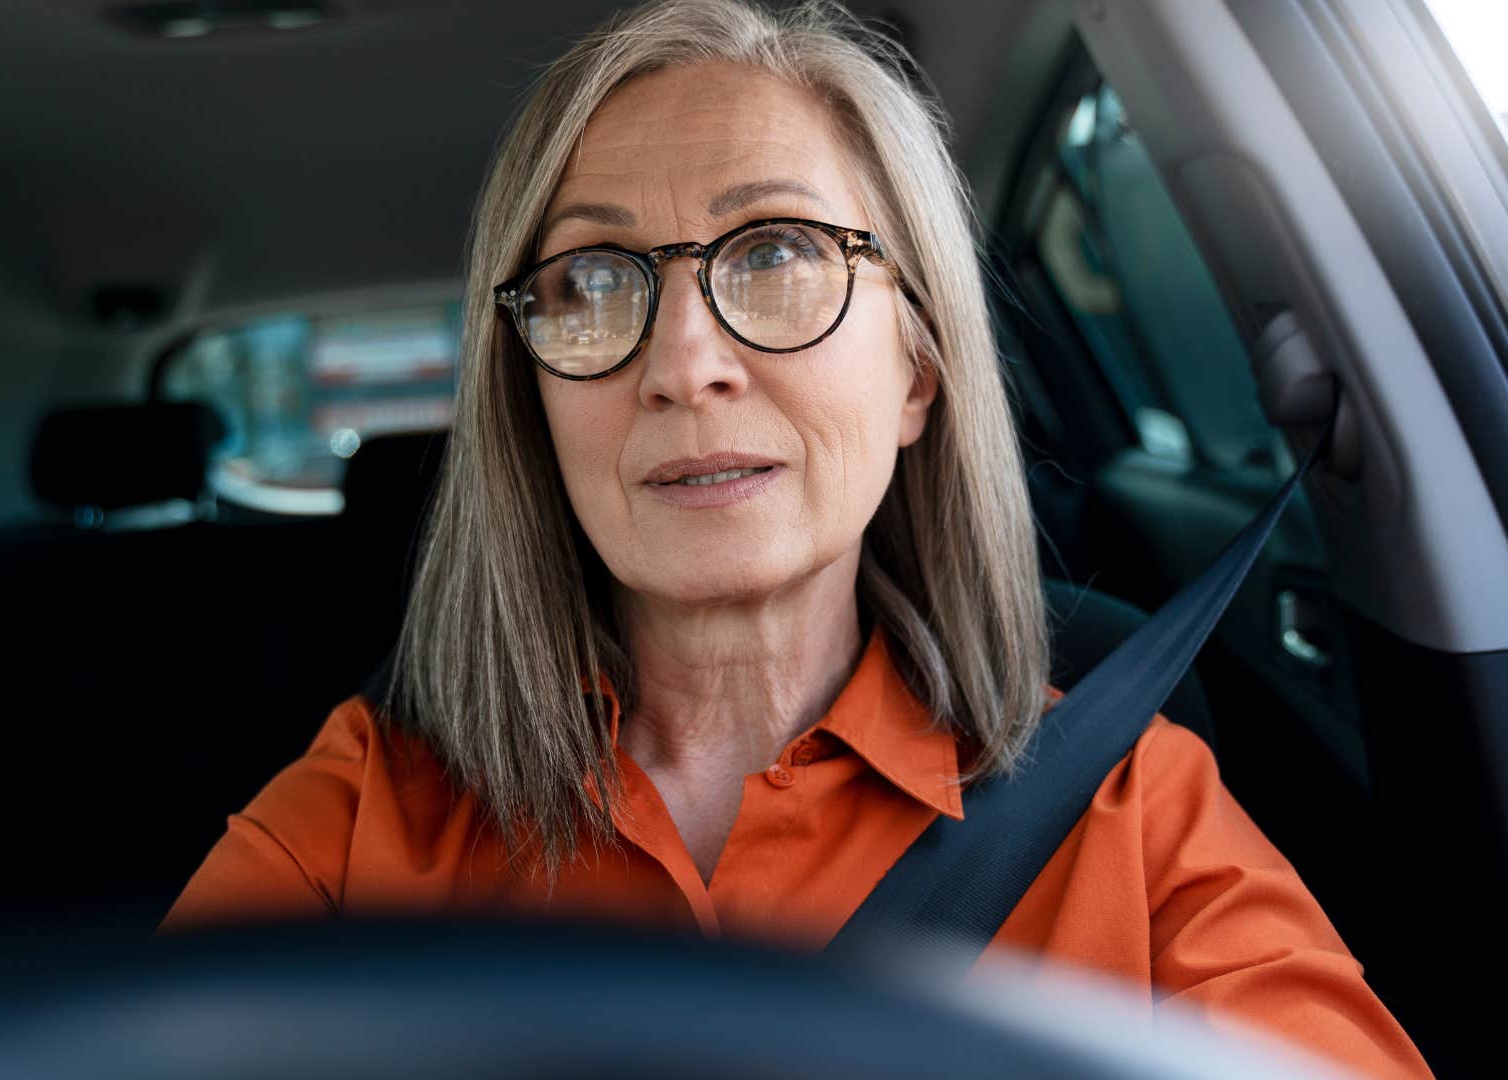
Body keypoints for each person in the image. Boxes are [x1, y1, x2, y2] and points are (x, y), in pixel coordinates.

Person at [164, 0, 1428, 1074]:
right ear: (531, 399)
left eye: (775, 254)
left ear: (918, 370)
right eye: (592, 280)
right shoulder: (358, 819)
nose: (685, 363)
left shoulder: (1129, 808)